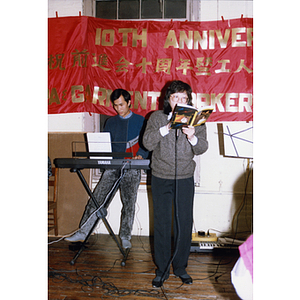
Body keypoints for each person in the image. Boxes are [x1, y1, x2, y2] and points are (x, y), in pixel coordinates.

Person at [143, 80, 209, 288]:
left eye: (184, 98)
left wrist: (193, 138)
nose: (180, 101)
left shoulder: (197, 121)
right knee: (162, 224)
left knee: (184, 223)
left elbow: (202, 148)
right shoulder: (156, 118)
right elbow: (147, 143)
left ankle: (180, 267)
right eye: (175, 98)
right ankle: (162, 269)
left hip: (185, 178)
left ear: (189, 101)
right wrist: (167, 128)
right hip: (161, 176)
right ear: (168, 100)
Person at [65, 89, 148, 249]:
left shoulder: (141, 121)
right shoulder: (110, 122)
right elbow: (104, 144)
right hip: (113, 166)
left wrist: (141, 155)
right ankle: (83, 232)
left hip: (132, 166)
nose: (119, 109)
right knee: (97, 198)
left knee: (129, 203)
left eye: (122, 105)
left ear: (129, 103)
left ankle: (125, 236)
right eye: (116, 106)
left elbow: (146, 143)